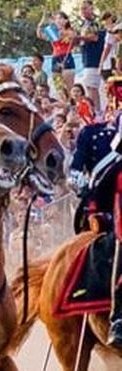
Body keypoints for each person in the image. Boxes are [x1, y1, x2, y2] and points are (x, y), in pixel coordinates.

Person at [71, 73, 122, 345]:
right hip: (111, 211)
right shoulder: (93, 134)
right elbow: (80, 174)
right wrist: (84, 189)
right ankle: (118, 316)